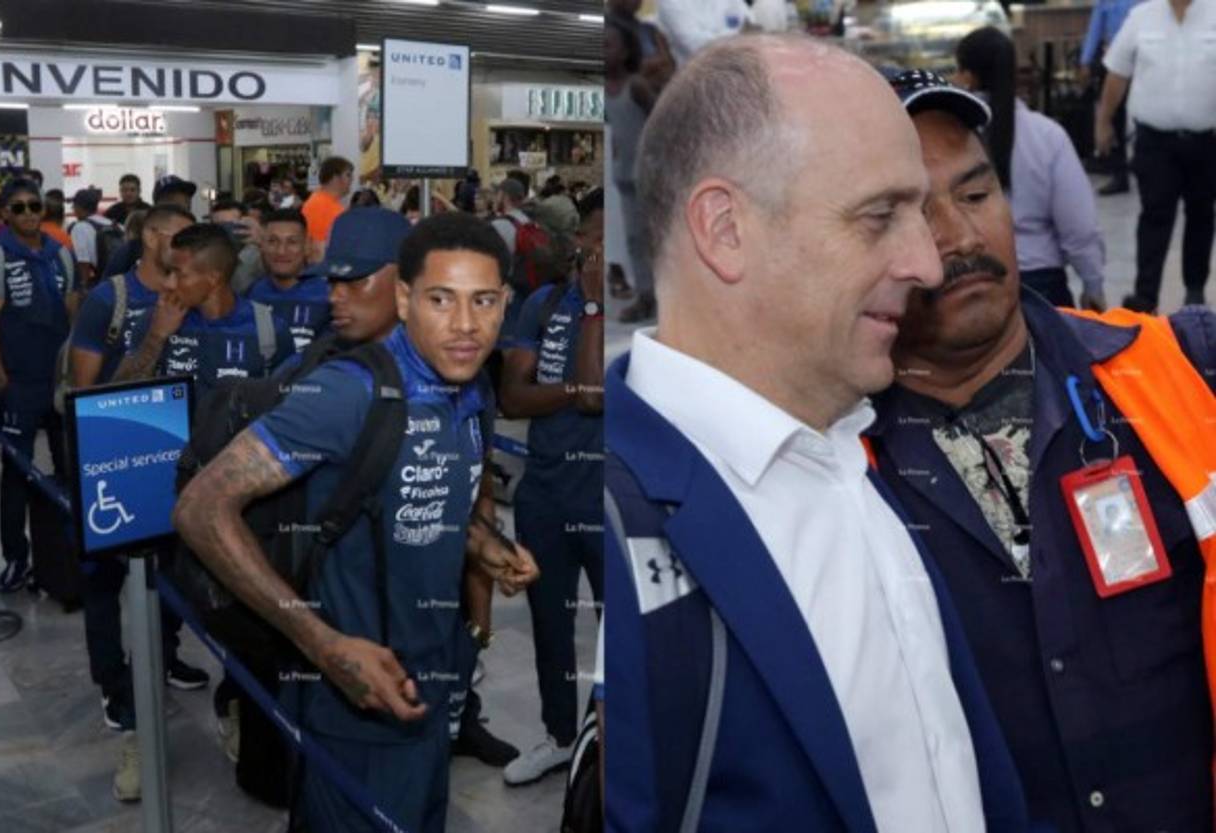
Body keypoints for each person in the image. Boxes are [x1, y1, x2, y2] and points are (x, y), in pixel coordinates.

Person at [605, 35, 1030, 831]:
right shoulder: (621, 531)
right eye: (880, 216)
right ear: (724, 230)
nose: (928, 263)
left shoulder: (854, 456)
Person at [870, 68, 1216, 832]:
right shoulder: (842, 469)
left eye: (975, 193)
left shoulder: (1179, 368)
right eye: (916, 212)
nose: (960, 237)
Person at [172, 212, 541, 833]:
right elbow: (201, 508)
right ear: (404, 298)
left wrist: (486, 545)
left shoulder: (471, 386)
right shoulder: (347, 393)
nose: (465, 325)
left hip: (429, 688)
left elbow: (428, 499)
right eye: (441, 300)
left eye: (484, 302)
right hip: (353, 702)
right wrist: (324, 645)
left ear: (505, 303)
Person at [66, 203, 207, 803]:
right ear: (149, 238)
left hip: (177, 458)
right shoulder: (111, 299)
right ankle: (113, 684)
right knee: (106, 576)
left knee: (173, 571)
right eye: (172, 236)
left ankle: (165, 656)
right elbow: (87, 394)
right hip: (114, 457)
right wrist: (154, 338)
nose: (181, 248)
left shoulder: (200, 294)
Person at [500, 188, 604, 786]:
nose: (601, 247)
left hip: (608, 496)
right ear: (578, 239)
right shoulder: (539, 303)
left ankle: (615, 737)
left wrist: (594, 309)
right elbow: (514, 396)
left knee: (622, 627)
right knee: (549, 622)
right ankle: (561, 737)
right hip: (544, 491)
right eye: (595, 234)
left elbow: (595, 394)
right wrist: (572, 393)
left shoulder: (638, 311)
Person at [953, 30, 1107, 310]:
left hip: (969, 282)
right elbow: (1079, 226)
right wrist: (1092, 284)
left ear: (968, 77)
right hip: (1044, 285)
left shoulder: (952, 137)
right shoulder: (1047, 135)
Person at [1095, 0, 1216, 310]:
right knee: (1154, 216)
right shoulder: (1141, 17)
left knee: (1201, 216)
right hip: (1155, 143)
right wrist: (1104, 120)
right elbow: (1117, 73)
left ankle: (1195, 291)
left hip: (1207, 141)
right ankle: (1145, 296)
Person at [0, 177, 78, 593]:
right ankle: (16, 558)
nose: (28, 213)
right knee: (17, 473)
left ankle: (70, 554)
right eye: (19, 207)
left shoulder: (60, 253)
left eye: (34, 205)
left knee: (69, 468)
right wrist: (1, 378)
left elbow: (74, 312)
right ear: (4, 213)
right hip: (18, 384)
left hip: (59, 382)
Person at [110, 223, 294, 396]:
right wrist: (156, 337)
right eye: (168, 272)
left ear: (213, 278)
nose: (168, 283)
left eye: (178, 273)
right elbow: (121, 397)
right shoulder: (155, 320)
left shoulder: (268, 330)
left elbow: (285, 405)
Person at [607, 14, 658, 324]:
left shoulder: (635, 86)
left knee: (655, 238)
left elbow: (659, 120)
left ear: (626, 52)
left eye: (607, 45)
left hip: (647, 174)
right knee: (634, 241)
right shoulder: (604, 89)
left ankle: (661, 294)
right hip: (623, 176)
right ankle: (645, 295)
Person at [1079, 0, 1143, 195]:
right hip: (1116, 63)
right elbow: (1096, 27)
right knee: (1115, 117)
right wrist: (1086, 60)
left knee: (1146, 115)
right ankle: (1119, 172)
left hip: (1145, 60)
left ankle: (1144, 164)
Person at [245, 208, 332, 351]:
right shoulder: (250, 296)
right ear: (261, 245)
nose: (281, 251)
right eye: (273, 241)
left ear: (307, 246)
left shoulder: (328, 296)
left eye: (292, 242)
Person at [101, 174, 196, 280]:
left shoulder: (198, 243)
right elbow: (106, 287)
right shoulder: (134, 249)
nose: (184, 203)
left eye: (187, 199)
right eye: (172, 198)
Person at [210, 197, 266, 295]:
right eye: (218, 226)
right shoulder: (207, 258)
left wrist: (263, 240)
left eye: (231, 225)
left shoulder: (260, 256)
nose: (225, 231)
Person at [302, 156, 354, 259]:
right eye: (348, 175)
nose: (352, 179)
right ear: (335, 178)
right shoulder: (325, 207)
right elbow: (318, 250)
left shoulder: (318, 200)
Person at [69, 187, 117, 288]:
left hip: (101, 284)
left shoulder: (80, 227)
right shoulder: (115, 225)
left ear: (78, 207)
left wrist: (83, 288)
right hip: (121, 281)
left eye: (73, 207)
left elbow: (83, 262)